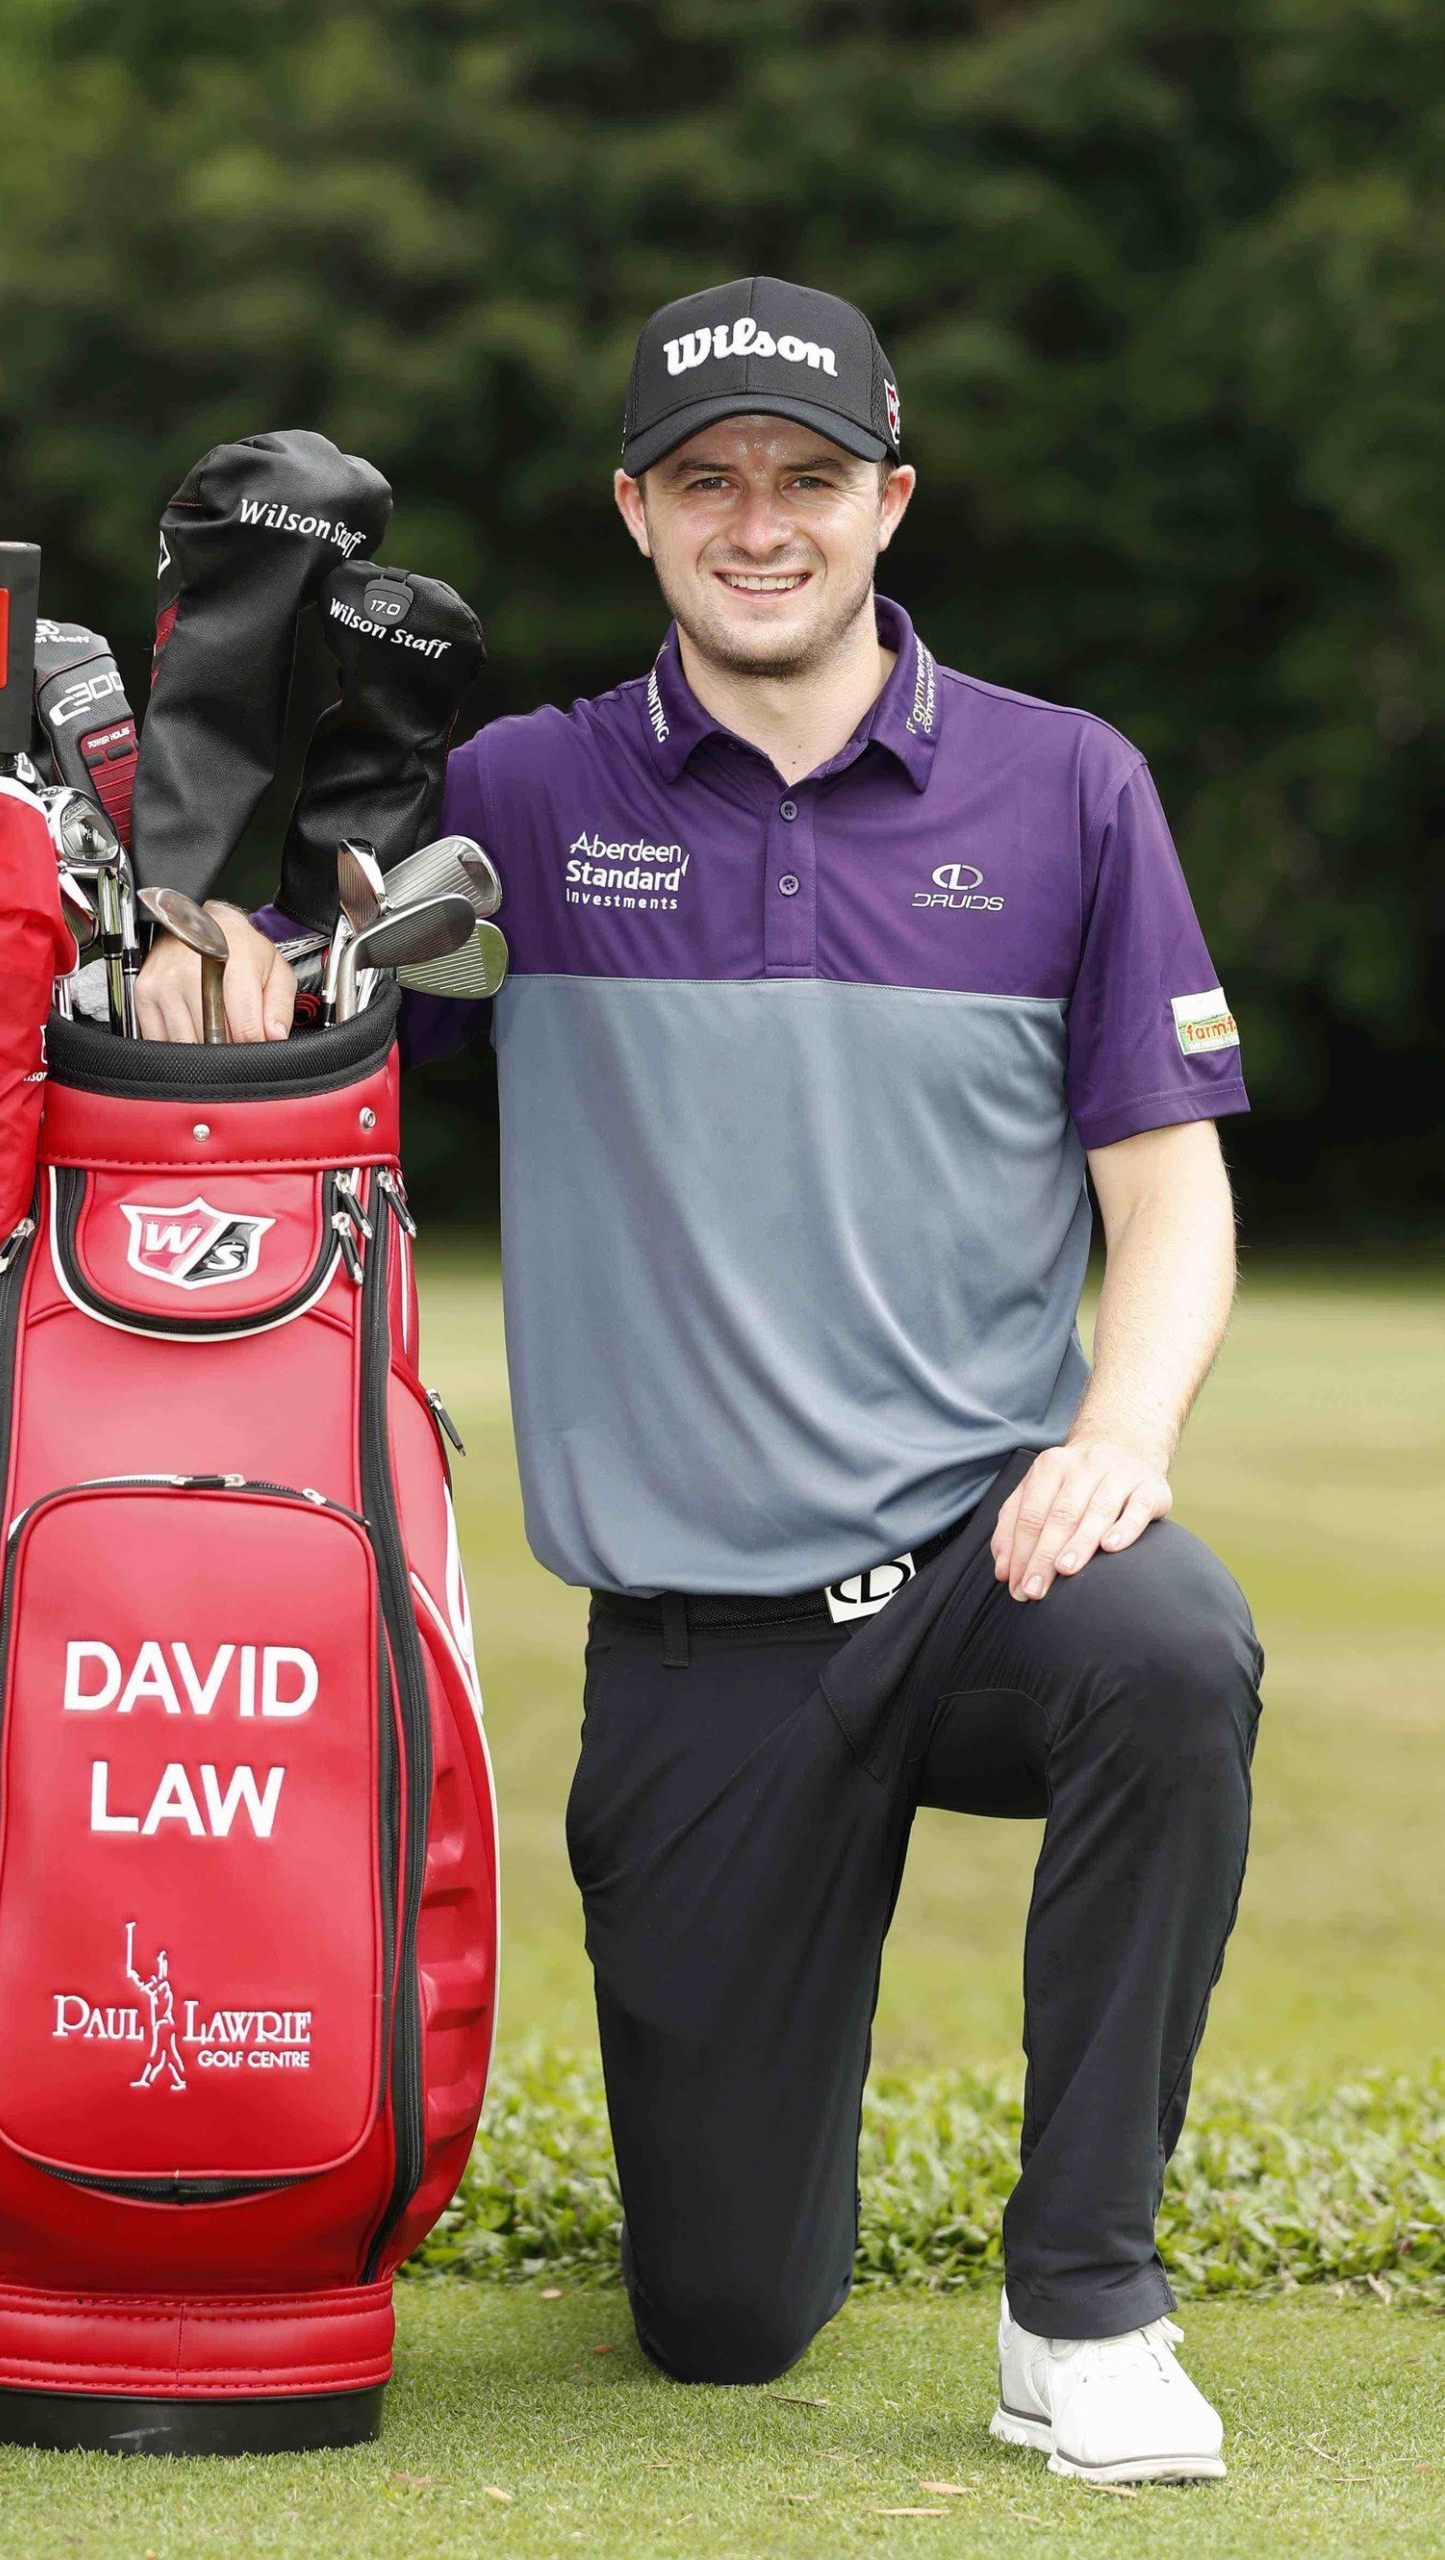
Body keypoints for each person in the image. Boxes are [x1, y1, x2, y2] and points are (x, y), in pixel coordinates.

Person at [137, 276, 1262, 2490]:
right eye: (712, 479)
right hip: (692, 1645)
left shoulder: (1066, 787)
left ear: (886, 502)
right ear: (637, 510)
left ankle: (1083, 2302)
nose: (765, 523)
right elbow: (301, 1052)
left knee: (1169, 1650)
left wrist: (1114, 1439)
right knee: (724, 2318)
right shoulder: (519, 801)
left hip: (974, 1560)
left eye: (810, 479)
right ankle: (772, 2195)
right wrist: (207, 956)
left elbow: (1170, 1190)